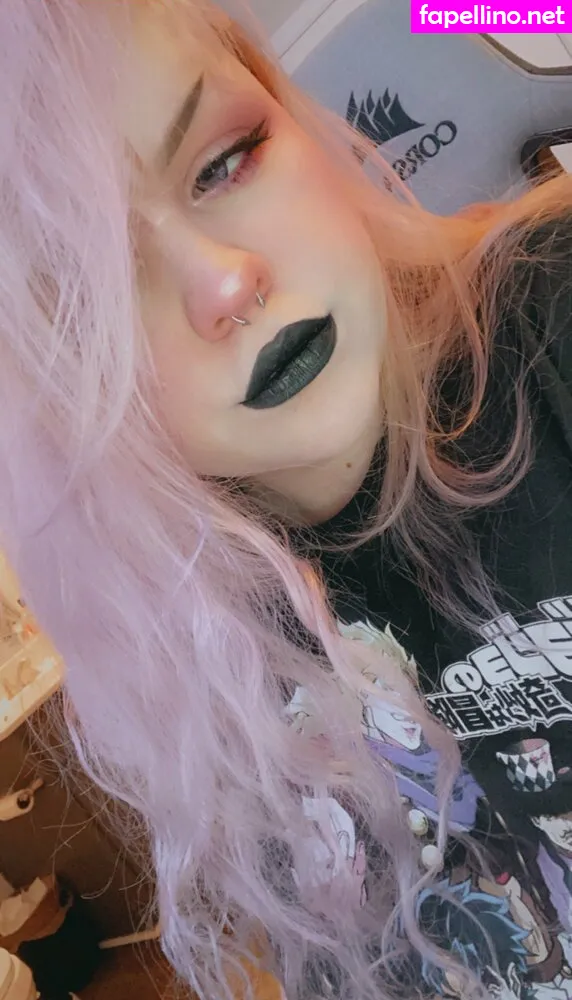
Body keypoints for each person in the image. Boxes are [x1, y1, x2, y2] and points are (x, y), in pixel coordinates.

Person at [1, 1, 572, 998]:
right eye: (92, 288)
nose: (227, 285)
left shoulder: (553, 313)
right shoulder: (197, 676)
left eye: (225, 161)